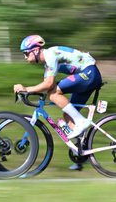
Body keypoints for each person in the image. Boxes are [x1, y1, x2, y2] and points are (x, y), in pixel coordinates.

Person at [13, 35, 103, 171]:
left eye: (26, 53)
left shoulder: (50, 55)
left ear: (36, 50)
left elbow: (49, 85)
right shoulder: (48, 62)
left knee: (54, 94)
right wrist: (30, 92)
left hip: (89, 72)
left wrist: (26, 89)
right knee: (68, 115)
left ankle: (81, 121)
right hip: (88, 74)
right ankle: (81, 155)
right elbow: (47, 84)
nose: (25, 57)